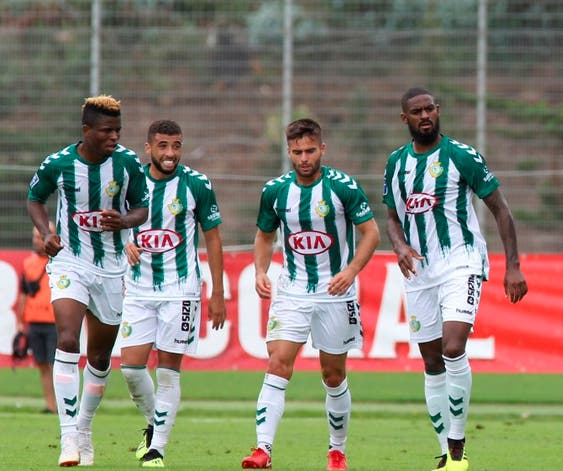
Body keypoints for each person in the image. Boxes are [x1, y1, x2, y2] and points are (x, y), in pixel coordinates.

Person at [383, 87, 529, 471]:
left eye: (430, 108)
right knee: (431, 362)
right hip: (419, 270)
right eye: (417, 111)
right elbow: (393, 217)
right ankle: (445, 454)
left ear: (438, 111)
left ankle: (458, 445)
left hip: (459, 261)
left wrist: (512, 266)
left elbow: (501, 209)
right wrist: (398, 246)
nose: (425, 115)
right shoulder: (396, 163)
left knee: (452, 347)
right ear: (405, 119)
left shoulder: (461, 155)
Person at [241, 118, 380, 471]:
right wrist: (260, 270)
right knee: (277, 364)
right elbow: (264, 236)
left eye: (310, 150)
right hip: (293, 290)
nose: (304, 158)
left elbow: (371, 234)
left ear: (323, 148)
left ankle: (336, 450)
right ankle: (263, 450)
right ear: (289, 151)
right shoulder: (275, 191)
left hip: (335, 291)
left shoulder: (343, 187)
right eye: (297, 152)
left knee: (333, 375)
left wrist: (350, 272)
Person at [27, 94, 150, 467]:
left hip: (112, 268)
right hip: (70, 262)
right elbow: (35, 198)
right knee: (67, 339)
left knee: (99, 356)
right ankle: (68, 439)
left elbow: (142, 207)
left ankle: (84, 428)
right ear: (86, 131)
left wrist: (125, 221)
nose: (114, 137)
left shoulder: (127, 163)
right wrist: (46, 233)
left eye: (118, 130)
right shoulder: (59, 163)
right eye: (106, 131)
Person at [118, 120, 227, 468]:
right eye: (163, 146)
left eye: (176, 145)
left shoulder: (196, 183)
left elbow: (213, 237)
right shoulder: (129, 182)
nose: (170, 153)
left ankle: (157, 449)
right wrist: (126, 245)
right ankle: (154, 424)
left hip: (181, 289)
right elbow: (112, 223)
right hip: (138, 288)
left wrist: (218, 292)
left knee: (168, 371)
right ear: (148, 148)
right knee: (131, 368)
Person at [15, 222, 58, 414]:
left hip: (56, 322)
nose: (36, 240)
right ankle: (50, 405)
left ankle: (63, 405)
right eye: (34, 237)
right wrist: (20, 321)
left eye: (39, 236)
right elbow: (23, 294)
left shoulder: (60, 263)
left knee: (57, 366)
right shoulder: (28, 264)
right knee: (42, 364)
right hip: (34, 321)